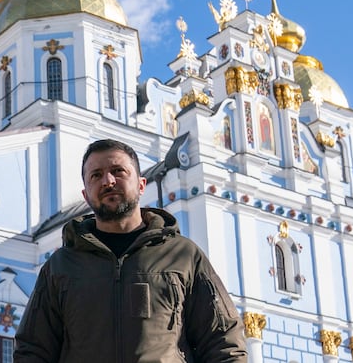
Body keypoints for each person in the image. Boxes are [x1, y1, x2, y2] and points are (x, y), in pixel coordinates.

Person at [14, 139, 247, 362]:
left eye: (118, 171)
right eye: (96, 175)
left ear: (141, 185)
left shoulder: (183, 256)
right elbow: (33, 350)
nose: (108, 181)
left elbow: (224, 342)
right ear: (85, 195)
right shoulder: (61, 266)